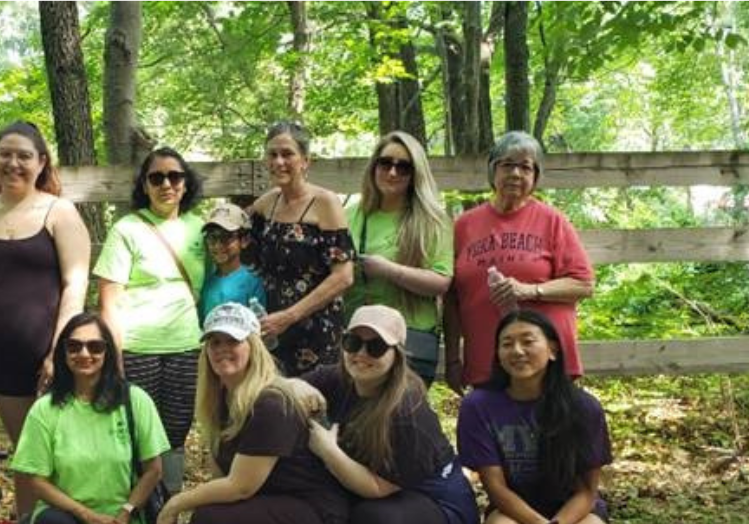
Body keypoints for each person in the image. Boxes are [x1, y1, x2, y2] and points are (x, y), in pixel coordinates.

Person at [154, 303, 350, 524]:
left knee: (209, 521)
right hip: (270, 517)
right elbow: (223, 477)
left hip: (315, 521)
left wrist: (176, 503)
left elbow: (240, 486)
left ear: (254, 346)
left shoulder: (271, 401)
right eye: (213, 342)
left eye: (233, 340)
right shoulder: (223, 400)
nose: (222, 349)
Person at [294, 305, 493, 524]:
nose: (361, 354)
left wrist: (326, 449)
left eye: (375, 347)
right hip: (399, 498)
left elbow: (375, 488)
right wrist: (294, 389)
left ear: (397, 354)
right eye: (352, 342)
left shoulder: (407, 407)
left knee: (368, 519)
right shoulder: (340, 378)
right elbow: (285, 389)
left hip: (438, 508)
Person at [0, 120, 91, 524]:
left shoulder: (59, 211)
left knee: (62, 450)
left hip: (52, 353)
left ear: (41, 162)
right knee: (26, 451)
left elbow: (75, 282)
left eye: (24, 156)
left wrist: (58, 350)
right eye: (5, 154)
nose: (13, 163)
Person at [458, 310, 619, 524]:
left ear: (554, 350)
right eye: (507, 344)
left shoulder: (583, 407)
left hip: (572, 509)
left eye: (528, 341)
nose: (517, 351)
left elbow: (587, 491)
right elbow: (495, 487)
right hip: (513, 509)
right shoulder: (478, 405)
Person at [9, 314, 168, 524]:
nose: (84, 354)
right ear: (63, 353)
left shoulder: (134, 400)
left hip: (120, 518)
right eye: (74, 346)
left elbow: (153, 471)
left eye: (95, 346)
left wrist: (122, 517)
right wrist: (90, 517)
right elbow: (37, 481)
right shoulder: (46, 408)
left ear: (108, 352)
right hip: (65, 514)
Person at [93, 147, 206, 524]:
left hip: (185, 347)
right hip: (137, 347)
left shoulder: (200, 228)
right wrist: (115, 360)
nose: (166, 185)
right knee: (138, 441)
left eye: (174, 176)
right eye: (156, 178)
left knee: (174, 438)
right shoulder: (127, 229)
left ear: (186, 182)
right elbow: (109, 301)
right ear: (143, 185)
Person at [445, 130, 594, 392]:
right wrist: (452, 360)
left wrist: (530, 290)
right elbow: (451, 298)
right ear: (493, 171)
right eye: (507, 164)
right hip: (486, 364)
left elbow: (583, 284)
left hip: (546, 368)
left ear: (535, 177)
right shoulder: (464, 226)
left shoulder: (552, 220)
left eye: (525, 167)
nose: (515, 173)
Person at [343, 132, 453, 386]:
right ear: (374, 166)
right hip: (359, 339)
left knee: (402, 419)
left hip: (411, 339)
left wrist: (387, 270)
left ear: (416, 174)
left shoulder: (433, 222)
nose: (392, 173)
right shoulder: (349, 215)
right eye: (385, 163)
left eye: (403, 167)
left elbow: (441, 282)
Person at [246, 121, 354, 376]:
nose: (279, 161)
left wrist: (290, 316)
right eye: (272, 154)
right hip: (272, 329)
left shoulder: (325, 203)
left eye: (287, 154)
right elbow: (234, 233)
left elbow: (343, 276)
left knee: (315, 406)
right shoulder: (267, 204)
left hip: (316, 329)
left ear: (305, 161)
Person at [199, 203, 266, 321]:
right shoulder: (205, 280)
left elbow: (258, 326)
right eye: (212, 237)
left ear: (244, 240)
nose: (218, 245)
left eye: (226, 237)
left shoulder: (252, 280)